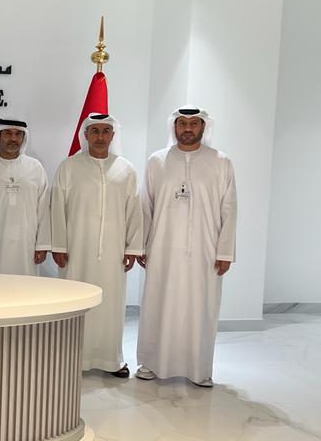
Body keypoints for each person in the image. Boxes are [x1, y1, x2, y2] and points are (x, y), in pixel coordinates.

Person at [136, 105, 237, 387]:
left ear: (203, 127)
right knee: (158, 303)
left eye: (194, 123)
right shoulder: (157, 161)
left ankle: (199, 369)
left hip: (205, 251)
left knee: (201, 308)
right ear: (175, 126)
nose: (188, 129)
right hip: (162, 249)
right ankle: (150, 363)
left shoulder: (220, 162)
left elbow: (229, 209)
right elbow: (145, 206)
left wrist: (225, 251)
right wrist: (141, 245)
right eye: (183, 123)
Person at [50, 113, 143, 378]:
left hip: (113, 253)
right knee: (75, 303)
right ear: (86, 135)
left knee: (110, 305)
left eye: (105, 131)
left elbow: (134, 210)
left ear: (112, 135)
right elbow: (56, 207)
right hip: (76, 251)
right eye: (95, 131)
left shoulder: (125, 169)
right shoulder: (69, 166)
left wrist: (132, 248)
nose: (100, 137)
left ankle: (111, 360)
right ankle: (71, 360)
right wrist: (59, 245)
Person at [0, 117, 51, 275]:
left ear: (23, 138)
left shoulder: (35, 167)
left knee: (24, 286)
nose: (13, 138)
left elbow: (44, 209)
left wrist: (42, 245)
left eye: (18, 134)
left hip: (26, 245)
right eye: (8, 133)